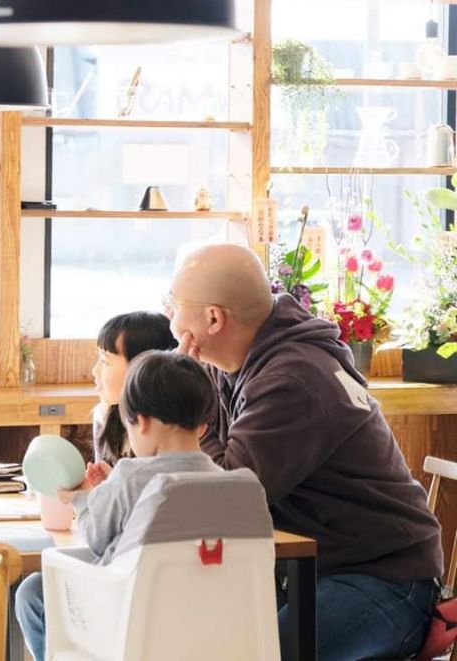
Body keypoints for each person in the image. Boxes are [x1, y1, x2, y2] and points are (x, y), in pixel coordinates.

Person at [168, 242, 442, 661]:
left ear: (213, 318)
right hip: (310, 572)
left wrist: (190, 410)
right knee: (181, 633)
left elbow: (228, 499)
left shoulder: (293, 380)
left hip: (384, 580)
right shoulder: (237, 363)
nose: (169, 318)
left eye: (173, 305)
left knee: (254, 654)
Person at [15, 350, 223, 661]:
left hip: (124, 616)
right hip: (200, 622)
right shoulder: (227, 482)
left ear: (141, 423)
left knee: (32, 592)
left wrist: (85, 499)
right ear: (203, 427)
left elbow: (97, 539)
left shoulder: (131, 476)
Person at [91, 312, 176, 466]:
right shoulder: (104, 414)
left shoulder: (173, 428)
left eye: (104, 361)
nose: (94, 371)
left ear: (141, 368)